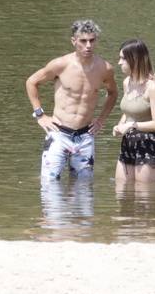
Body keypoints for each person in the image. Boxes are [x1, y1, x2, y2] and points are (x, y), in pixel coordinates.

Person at [25, 19, 118, 184]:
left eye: (92, 40)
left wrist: (101, 120)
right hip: (58, 133)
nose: (88, 45)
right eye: (83, 41)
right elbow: (31, 82)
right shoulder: (60, 64)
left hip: (85, 135)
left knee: (83, 190)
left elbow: (112, 93)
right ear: (74, 41)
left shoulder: (105, 68)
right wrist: (40, 115)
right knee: (49, 184)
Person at [111, 38, 155, 187]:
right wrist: (120, 125)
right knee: (121, 190)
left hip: (147, 145)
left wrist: (131, 126)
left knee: (144, 197)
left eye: (123, 58)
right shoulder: (126, 82)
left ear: (134, 59)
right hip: (128, 143)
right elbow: (128, 110)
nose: (119, 62)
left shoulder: (152, 87)